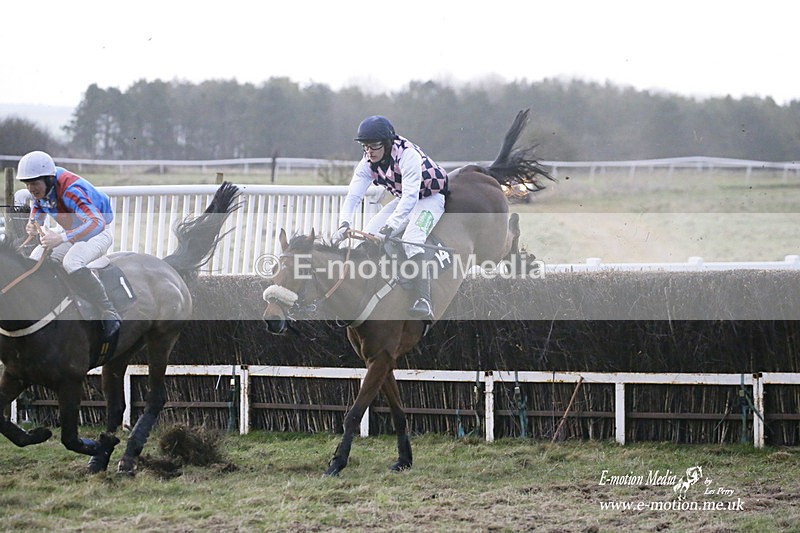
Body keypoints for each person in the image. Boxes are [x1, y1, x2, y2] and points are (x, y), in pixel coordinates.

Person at [333, 116, 448, 321]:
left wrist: (391, 226)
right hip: (403, 198)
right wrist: (344, 223)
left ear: (387, 143)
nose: (369, 151)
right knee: (369, 235)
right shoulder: (366, 162)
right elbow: (353, 196)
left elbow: (412, 196)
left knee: (412, 240)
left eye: (374, 145)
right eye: (365, 146)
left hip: (430, 198)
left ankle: (424, 300)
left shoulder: (407, 155)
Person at [16, 150, 121, 338]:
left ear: (48, 179)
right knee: (35, 258)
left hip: (98, 233)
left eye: (34, 183)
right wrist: (34, 223)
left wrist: (62, 238)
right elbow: (37, 204)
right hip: (74, 232)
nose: (31, 189)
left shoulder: (71, 190)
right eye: (27, 184)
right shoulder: (42, 188)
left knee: (72, 262)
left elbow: (97, 223)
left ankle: (109, 311)